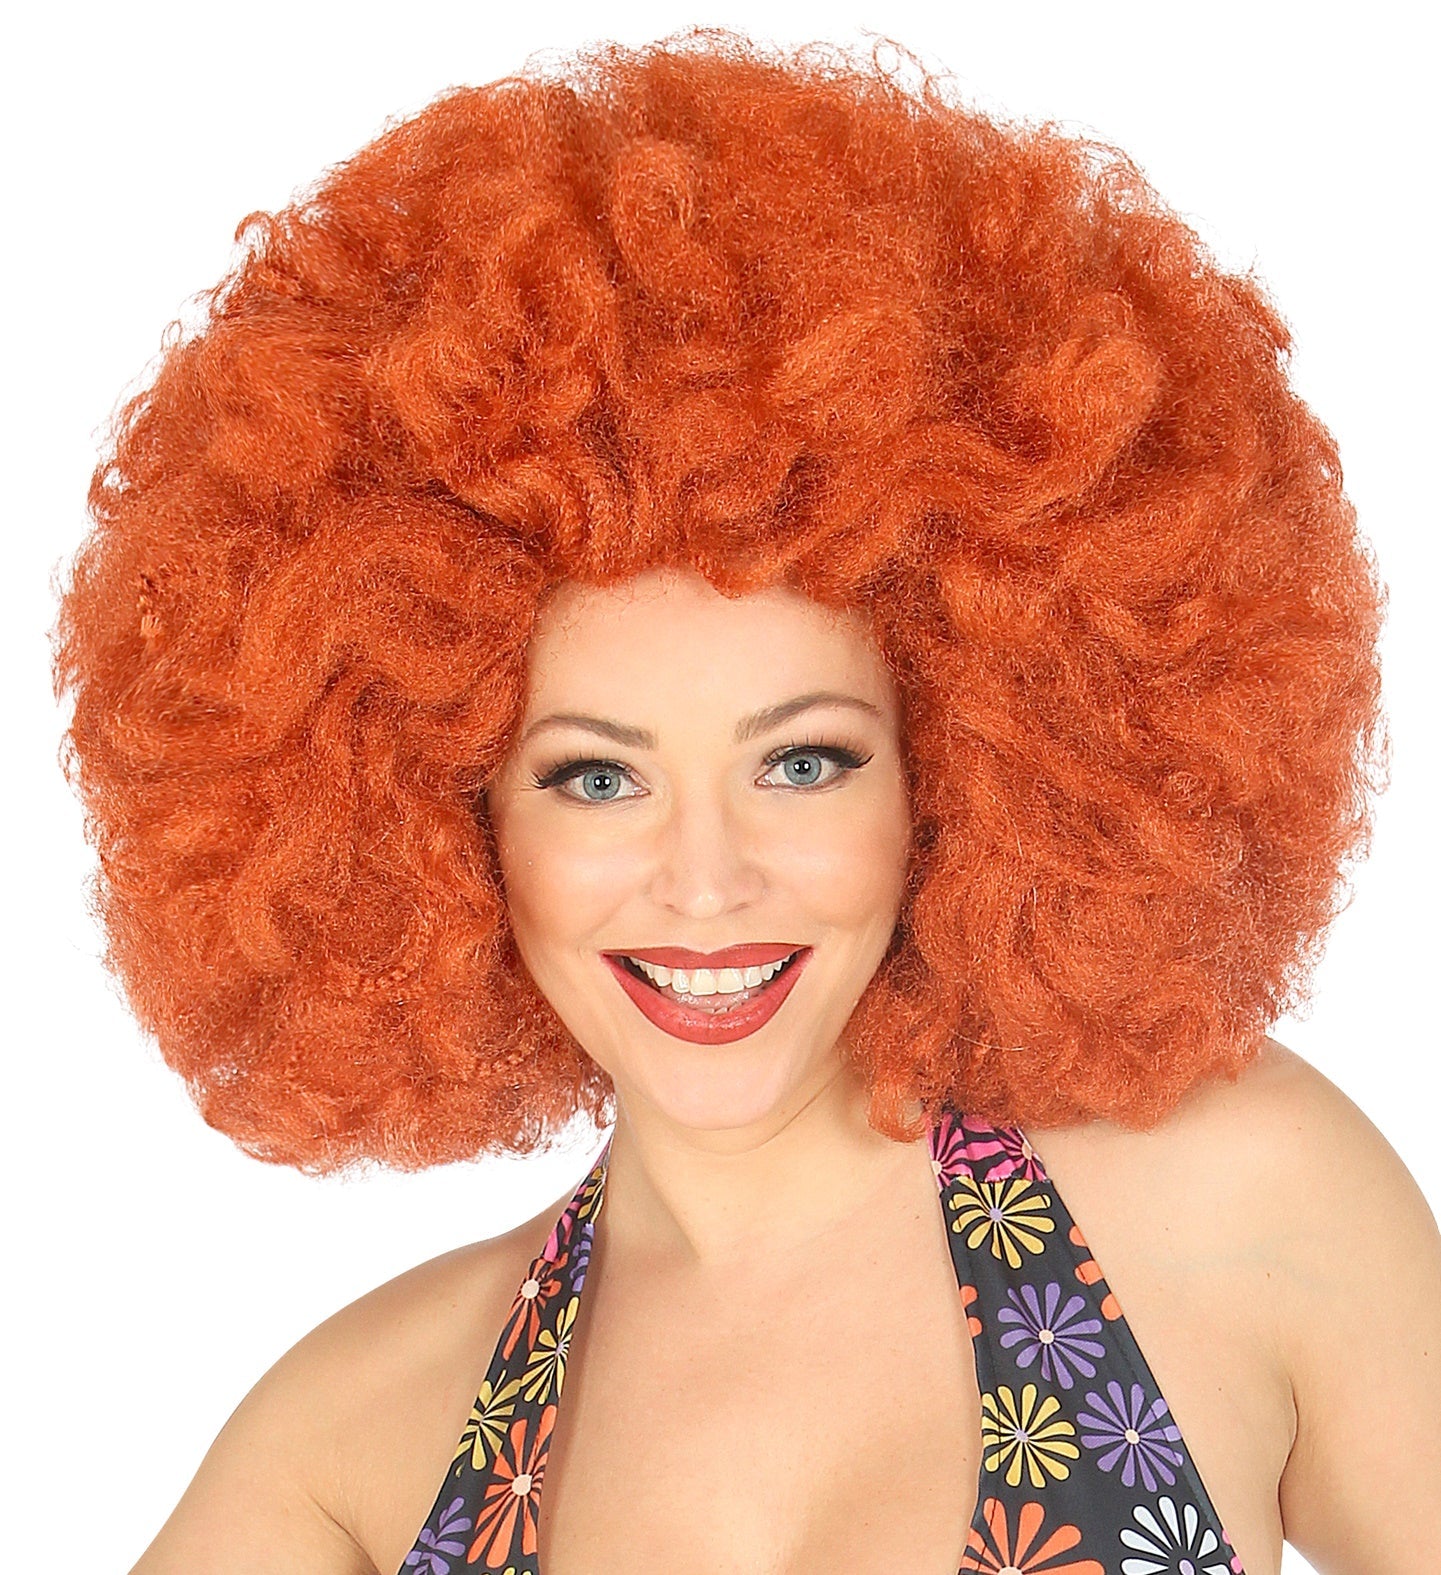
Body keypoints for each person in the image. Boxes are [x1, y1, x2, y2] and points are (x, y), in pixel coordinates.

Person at [50, 25, 1440, 1575]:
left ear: (961, 766)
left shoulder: (1237, 1196)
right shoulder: (362, 1439)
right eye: (594, 777)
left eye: (801, 760)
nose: (703, 884)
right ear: (446, 821)